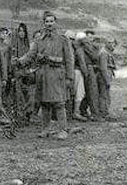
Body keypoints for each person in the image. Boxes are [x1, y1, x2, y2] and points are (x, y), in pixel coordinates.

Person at [13, 11, 74, 139]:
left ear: (55, 22)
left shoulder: (63, 39)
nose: (49, 24)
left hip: (57, 74)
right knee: (44, 103)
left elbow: (69, 59)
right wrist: (19, 62)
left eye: (51, 21)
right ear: (44, 23)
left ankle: (63, 130)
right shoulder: (39, 39)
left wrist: (70, 77)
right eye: (47, 21)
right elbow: (31, 55)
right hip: (42, 75)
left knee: (59, 103)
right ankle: (45, 129)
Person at [9, 23, 35, 121]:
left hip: (27, 72)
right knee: (18, 95)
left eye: (23, 31)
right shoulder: (14, 45)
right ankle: (19, 116)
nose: (21, 33)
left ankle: (27, 114)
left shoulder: (27, 45)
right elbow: (12, 60)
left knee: (28, 94)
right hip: (17, 72)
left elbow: (30, 58)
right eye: (20, 31)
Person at [74, 32, 101, 121]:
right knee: (91, 92)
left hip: (83, 70)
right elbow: (93, 57)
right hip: (87, 70)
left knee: (84, 93)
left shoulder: (78, 48)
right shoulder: (83, 48)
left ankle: (84, 112)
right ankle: (93, 114)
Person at [97, 37, 117, 119]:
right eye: (110, 42)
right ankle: (103, 112)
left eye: (112, 43)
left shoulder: (106, 52)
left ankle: (105, 111)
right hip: (104, 76)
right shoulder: (104, 53)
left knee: (105, 94)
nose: (112, 45)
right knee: (104, 95)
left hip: (107, 75)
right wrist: (107, 80)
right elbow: (103, 68)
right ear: (106, 43)